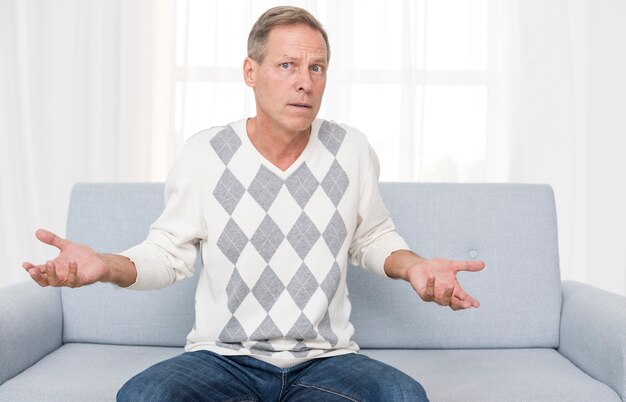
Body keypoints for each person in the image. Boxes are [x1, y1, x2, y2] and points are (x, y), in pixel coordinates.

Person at [23, 6, 485, 402]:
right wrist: (104, 264)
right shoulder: (206, 153)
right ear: (251, 72)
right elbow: (167, 254)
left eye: (316, 68)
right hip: (224, 358)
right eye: (287, 66)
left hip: (326, 361)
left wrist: (415, 267)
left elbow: (373, 237)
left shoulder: (351, 150)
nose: (304, 82)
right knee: (143, 396)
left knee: (406, 396)